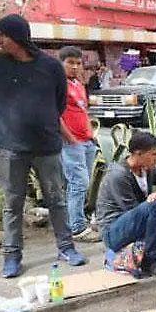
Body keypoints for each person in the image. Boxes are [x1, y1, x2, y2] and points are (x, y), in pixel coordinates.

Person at [0, 14, 86, 278]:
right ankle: (12, 256)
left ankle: (66, 247)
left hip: (47, 145)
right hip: (10, 147)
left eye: (2, 34)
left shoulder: (50, 66)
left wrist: (44, 124)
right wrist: (8, 125)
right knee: (12, 202)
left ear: (18, 35)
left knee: (56, 199)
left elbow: (58, 103)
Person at [96, 131, 156, 281]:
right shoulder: (119, 176)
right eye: (153, 154)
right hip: (114, 232)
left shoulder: (147, 170)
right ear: (138, 153)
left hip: (135, 219)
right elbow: (133, 212)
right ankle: (150, 260)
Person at [57, 47, 99, 243]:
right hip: (71, 143)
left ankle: (74, 220)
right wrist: (70, 138)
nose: (75, 67)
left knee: (81, 183)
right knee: (78, 183)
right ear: (61, 63)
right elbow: (53, 114)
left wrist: (91, 135)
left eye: (78, 63)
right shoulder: (58, 85)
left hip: (86, 141)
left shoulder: (79, 85)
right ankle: (77, 228)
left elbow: (82, 112)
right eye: (70, 63)